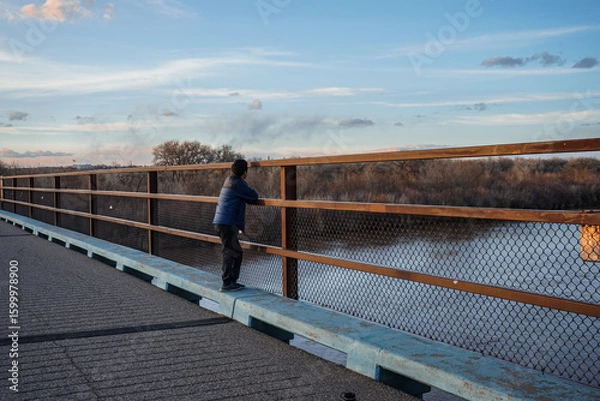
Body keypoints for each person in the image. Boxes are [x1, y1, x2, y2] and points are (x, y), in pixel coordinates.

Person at [213, 159, 259, 292]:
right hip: (227, 223)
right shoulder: (239, 183)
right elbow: (254, 196)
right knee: (230, 251)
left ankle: (231, 281)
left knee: (235, 251)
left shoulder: (228, 180)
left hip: (221, 221)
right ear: (244, 172)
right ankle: (227, 283)